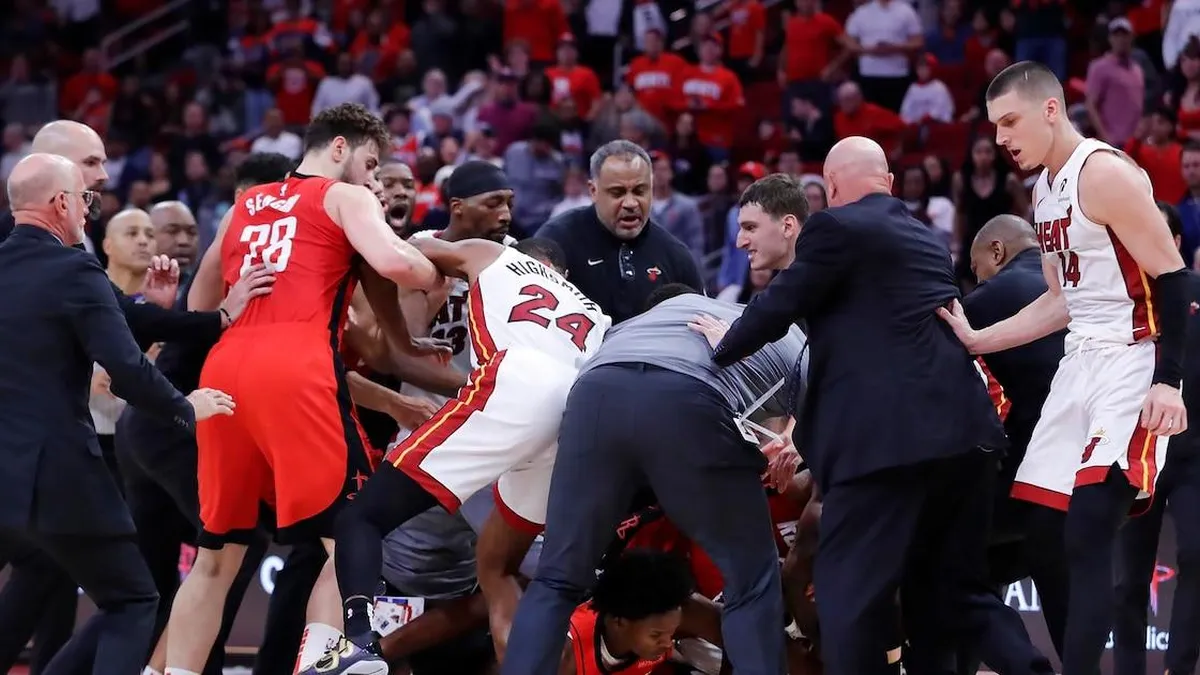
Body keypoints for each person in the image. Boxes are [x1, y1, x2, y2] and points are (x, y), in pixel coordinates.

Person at [711, 155, 1049, 675]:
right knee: (955, 594)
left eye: (750, 228)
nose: (741, 242)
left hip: (888, 448)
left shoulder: (835, 226)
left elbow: (777, 307)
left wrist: (722, 346)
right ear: (889, 183)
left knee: (848, 593)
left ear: (828, 186)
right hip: (968, 441)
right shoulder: (926, 240)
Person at [162, 103, 443, 675]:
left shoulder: (244, 204)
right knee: (350, 529)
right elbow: (400, 266)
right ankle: (328, 661)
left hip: (225, 369)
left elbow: (198, 303)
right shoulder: (343, 197)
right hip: (297, 368)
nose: (372, 179)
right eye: (369, 164)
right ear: (339, 148)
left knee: (215, 557)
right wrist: (437, 265)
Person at [938, 61, 1191, 675]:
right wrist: (977, 338)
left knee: (1084, 534)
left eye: (1009, 122)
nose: (1000, 138)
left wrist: (1169, 379)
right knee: (1044, 536)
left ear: (1050, 110)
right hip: (1079, 360)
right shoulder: (1042, 191)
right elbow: (1059, 301)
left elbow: (1173, 274)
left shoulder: (1103, 173)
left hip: (1132, 361)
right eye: (995, 125)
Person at [0, 124, 272, 675]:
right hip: (59, 469)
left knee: (43, 576)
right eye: (85, 188)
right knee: (135, 599)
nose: (93, 195)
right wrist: (184, 406)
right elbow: (125, 365)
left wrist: (214, 318)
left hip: (10, 471)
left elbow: (125, 313)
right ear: (60, 200)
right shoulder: (74, 266)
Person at [316, 235, 611, 674]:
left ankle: (359, 644)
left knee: (362, 517)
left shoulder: (490, 253)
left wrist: (403, 333)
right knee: (504, 568)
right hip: (575, 416)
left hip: (516, 380)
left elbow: (390, 255)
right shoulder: (595, 312)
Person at [501, 279, 807, 675]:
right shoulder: (792, 337)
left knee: (557, 579)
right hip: (685, 399)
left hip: (595, 392)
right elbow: (834, 414)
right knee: (751, 582)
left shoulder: (643, 321)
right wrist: (793, 440)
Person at [114, 155, 295, 675]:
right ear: (247, 202)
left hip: (148, 427)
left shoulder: (237, 259)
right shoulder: (243, 261)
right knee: (232, 548)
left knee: (152, 590)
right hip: (173, 425)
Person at [960, 215, 1071, 669]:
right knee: (1053, 580)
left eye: (977, 266)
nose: (976, 278)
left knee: (952, 566)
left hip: (1028, 475)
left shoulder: (987, 300)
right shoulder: (1073, 287)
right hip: (1094, 471)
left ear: (998, 253)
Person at [1112, 202, 1200, 675]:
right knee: (1129, 577)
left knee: (1197, 554)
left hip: (1192, 454)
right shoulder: (1118, 304)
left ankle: (1180, 667)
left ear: (1177, 244)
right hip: (1136, 452)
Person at [538, 140, 704, 324]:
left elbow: (700, 326)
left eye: (640, 191)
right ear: (593, 191)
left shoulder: (675, 255)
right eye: (618, 193)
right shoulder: (557, 240)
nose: (631, 203)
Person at [561, 549, 694, 675]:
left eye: (671, 633)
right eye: (656, 635)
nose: (667, 643)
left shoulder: (665, 622)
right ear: (619, 622)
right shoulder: (567, 654)